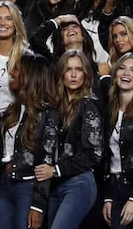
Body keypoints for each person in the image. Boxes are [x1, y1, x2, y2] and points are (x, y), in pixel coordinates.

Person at [35, 49, 104, 229]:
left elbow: (94, 154)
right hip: (55, 185)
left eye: (79, 69)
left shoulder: (89, 105)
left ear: (85, 74)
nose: (73, 75)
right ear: (61, 73)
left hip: (79, 183)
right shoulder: (53, 107)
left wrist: (56, 170)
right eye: (68, 69)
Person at [0, 53, 60, 229]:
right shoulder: (12, 109)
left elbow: (46, 161)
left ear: (30, 76)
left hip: (28, 189)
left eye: (17, 69)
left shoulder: (49, 115)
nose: (12, 73)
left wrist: (37, 205)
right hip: (4, 185)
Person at [78, 0, 132, 64]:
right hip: (85, 64)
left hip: (110, 65)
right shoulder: (81, 9)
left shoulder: (119, 9)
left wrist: (109, 4)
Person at [103, 52, 133, 229]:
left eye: (132, 70)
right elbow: (107, 157)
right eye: (121, 68)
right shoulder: (109, 110)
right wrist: (108, 196)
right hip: (114, 187)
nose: (126, 73)